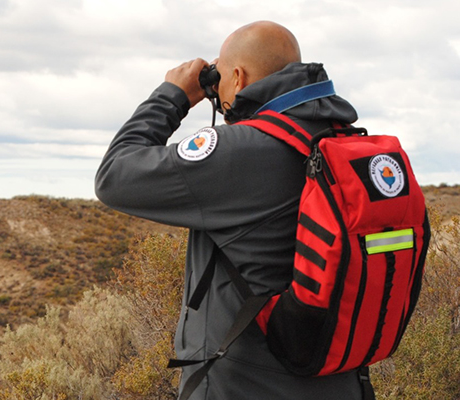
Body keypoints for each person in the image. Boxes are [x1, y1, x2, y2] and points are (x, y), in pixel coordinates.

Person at [95, 21, 366, 399]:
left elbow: (114, 176)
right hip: (341, 381)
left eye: (219, 76)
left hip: (245, 386)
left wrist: (170, 96)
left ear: (237, 78)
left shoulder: (243, 150)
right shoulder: (342, 141)